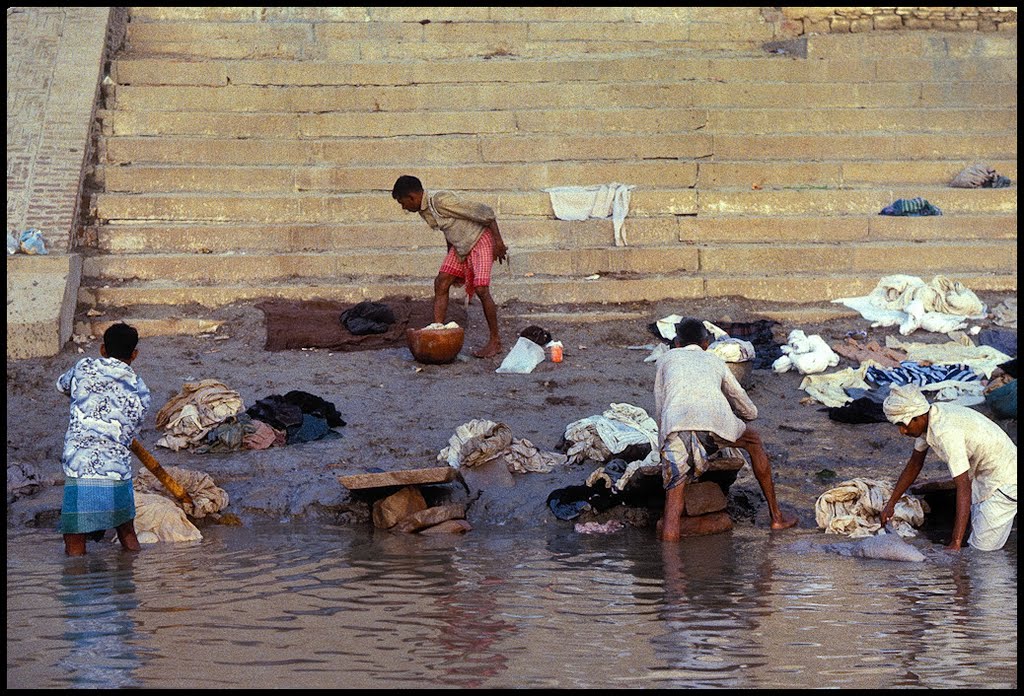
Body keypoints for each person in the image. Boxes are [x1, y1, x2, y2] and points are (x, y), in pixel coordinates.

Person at [654, 318, 797, 541]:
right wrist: (747, 415)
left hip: (675, 426)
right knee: (754, 441)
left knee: (672, 511)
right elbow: (744, 404)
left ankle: (672, 572)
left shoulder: (665, 359)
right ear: (705, 343)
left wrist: (664, 443)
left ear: (677, 344)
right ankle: (776, 517)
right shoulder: (714, 360)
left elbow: (661, 407)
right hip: (713, 425)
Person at [880, 384, 1017, 551]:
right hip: (984, 476)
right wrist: (891, 504)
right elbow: (914, 464)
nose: (902, 431)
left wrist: (956, 541)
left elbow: (963, 486)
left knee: (982, 553)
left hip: (1005, 479)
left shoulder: (946, 433)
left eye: (904, 424)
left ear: (918, 417)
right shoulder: (932, 417)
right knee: (978, 540)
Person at [57, 322, 151, 556]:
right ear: (134, 355)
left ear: (102, 349)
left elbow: (62, 386)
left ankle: (77, 585)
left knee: (75, 539)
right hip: (117, 471)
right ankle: (129, 586)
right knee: (127, 532)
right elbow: (133, 428)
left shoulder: (83, 367)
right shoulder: (140, 389)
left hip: (81, 469)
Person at [392, 175, 509, 358]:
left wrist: (499, 242)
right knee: (442, 281)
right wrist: (450, 259)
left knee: (481, 289)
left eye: (403, 202)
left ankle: (495, 341)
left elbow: (485, 212)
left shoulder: (440, 201)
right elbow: (448, 229)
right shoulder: (425, 211)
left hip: (480, 239)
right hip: (461, 246)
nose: (404, 207)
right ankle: (438, 329)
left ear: (413, 197)